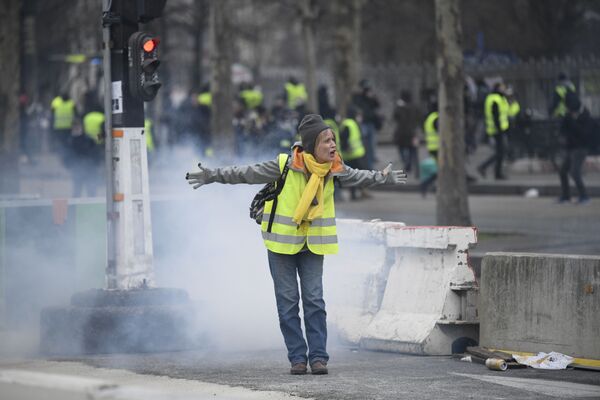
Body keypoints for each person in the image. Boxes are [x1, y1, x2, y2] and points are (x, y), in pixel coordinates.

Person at [185, 114, 406, 375]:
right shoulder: (285, 165)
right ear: (312, 145)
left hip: (312, 245)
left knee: (314, 301)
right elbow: (245, 173)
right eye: (326, 141)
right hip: (281, 246)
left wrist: (383, 177)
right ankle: (297, 358)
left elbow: (360, 176)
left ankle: (319, 358)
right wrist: (213, 175)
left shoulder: (334, 168)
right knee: (288, 303)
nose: (333, 145)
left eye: (333, 139)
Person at [557, 95, 593, 204]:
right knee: (563, 171)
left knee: (574, 172)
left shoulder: (585, 116)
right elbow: (563, 130)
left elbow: (583, 133)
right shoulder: (568, 116)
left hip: (581, 148)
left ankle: (584, 196)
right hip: (571, 147)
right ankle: (565, 196)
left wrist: (572, 122)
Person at [477, 82, 509, 180]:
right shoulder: (495, 99)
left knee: (500, 152)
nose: (504, 89)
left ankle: (490, 170)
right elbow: (496, 116)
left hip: (499, 129)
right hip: (497, 130)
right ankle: (491, 170)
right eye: (503, 87)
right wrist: (499, 128)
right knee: (500, 152)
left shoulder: (499, 98)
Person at [352, 79, 382, 170]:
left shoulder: (370, 96)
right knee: (365, 145)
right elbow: (356, 104)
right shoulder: (357, 96)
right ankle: (366, 165)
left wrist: (372, 97)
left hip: (371, 123)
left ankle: (370, 165)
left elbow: (377, 105)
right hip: (363, 123)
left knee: (371, 146)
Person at [393, 90, 421, 177]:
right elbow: (419, 117)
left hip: (402, 133)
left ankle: (407, 163)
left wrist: (398, 106)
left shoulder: (400, 108)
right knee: (413, 152)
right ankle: (416, 171)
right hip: (413, 133)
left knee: (401, 149)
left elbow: (395, 117)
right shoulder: (415, 107)